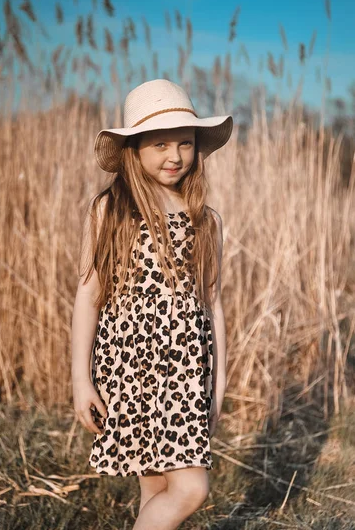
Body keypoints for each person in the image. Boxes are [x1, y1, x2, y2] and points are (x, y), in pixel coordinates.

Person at [72, 78, 233, 529]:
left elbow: (213, 305)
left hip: (185, 371)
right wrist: (80, 380)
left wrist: (217, 385)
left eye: (185, 143)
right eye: (161, 144)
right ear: (135, 149)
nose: (175, 156)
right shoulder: (110, 210)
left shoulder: (205, 220)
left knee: (173, 489)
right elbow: (88, 294)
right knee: (182, 489)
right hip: (130, 368)